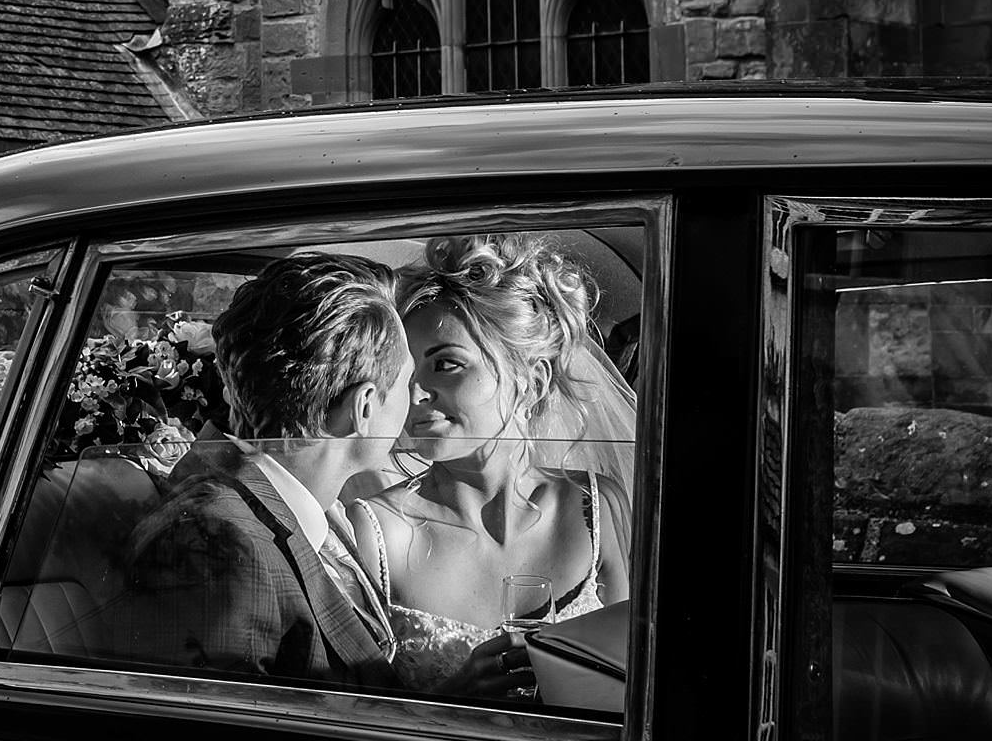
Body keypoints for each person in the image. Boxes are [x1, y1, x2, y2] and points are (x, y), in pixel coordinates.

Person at [117, 253, 428, 685]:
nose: (419, 398)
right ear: (365, 407)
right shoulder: (221, 544)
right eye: (407, 383)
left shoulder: (298, 509)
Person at [351, 232, 638, 699]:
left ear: (532, 382)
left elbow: (634, 682)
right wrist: (453, 702)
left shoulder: (595, 507)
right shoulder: (377, 531)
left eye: (445, 364)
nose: (415, 393)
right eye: (406, 372)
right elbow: (351, 717)